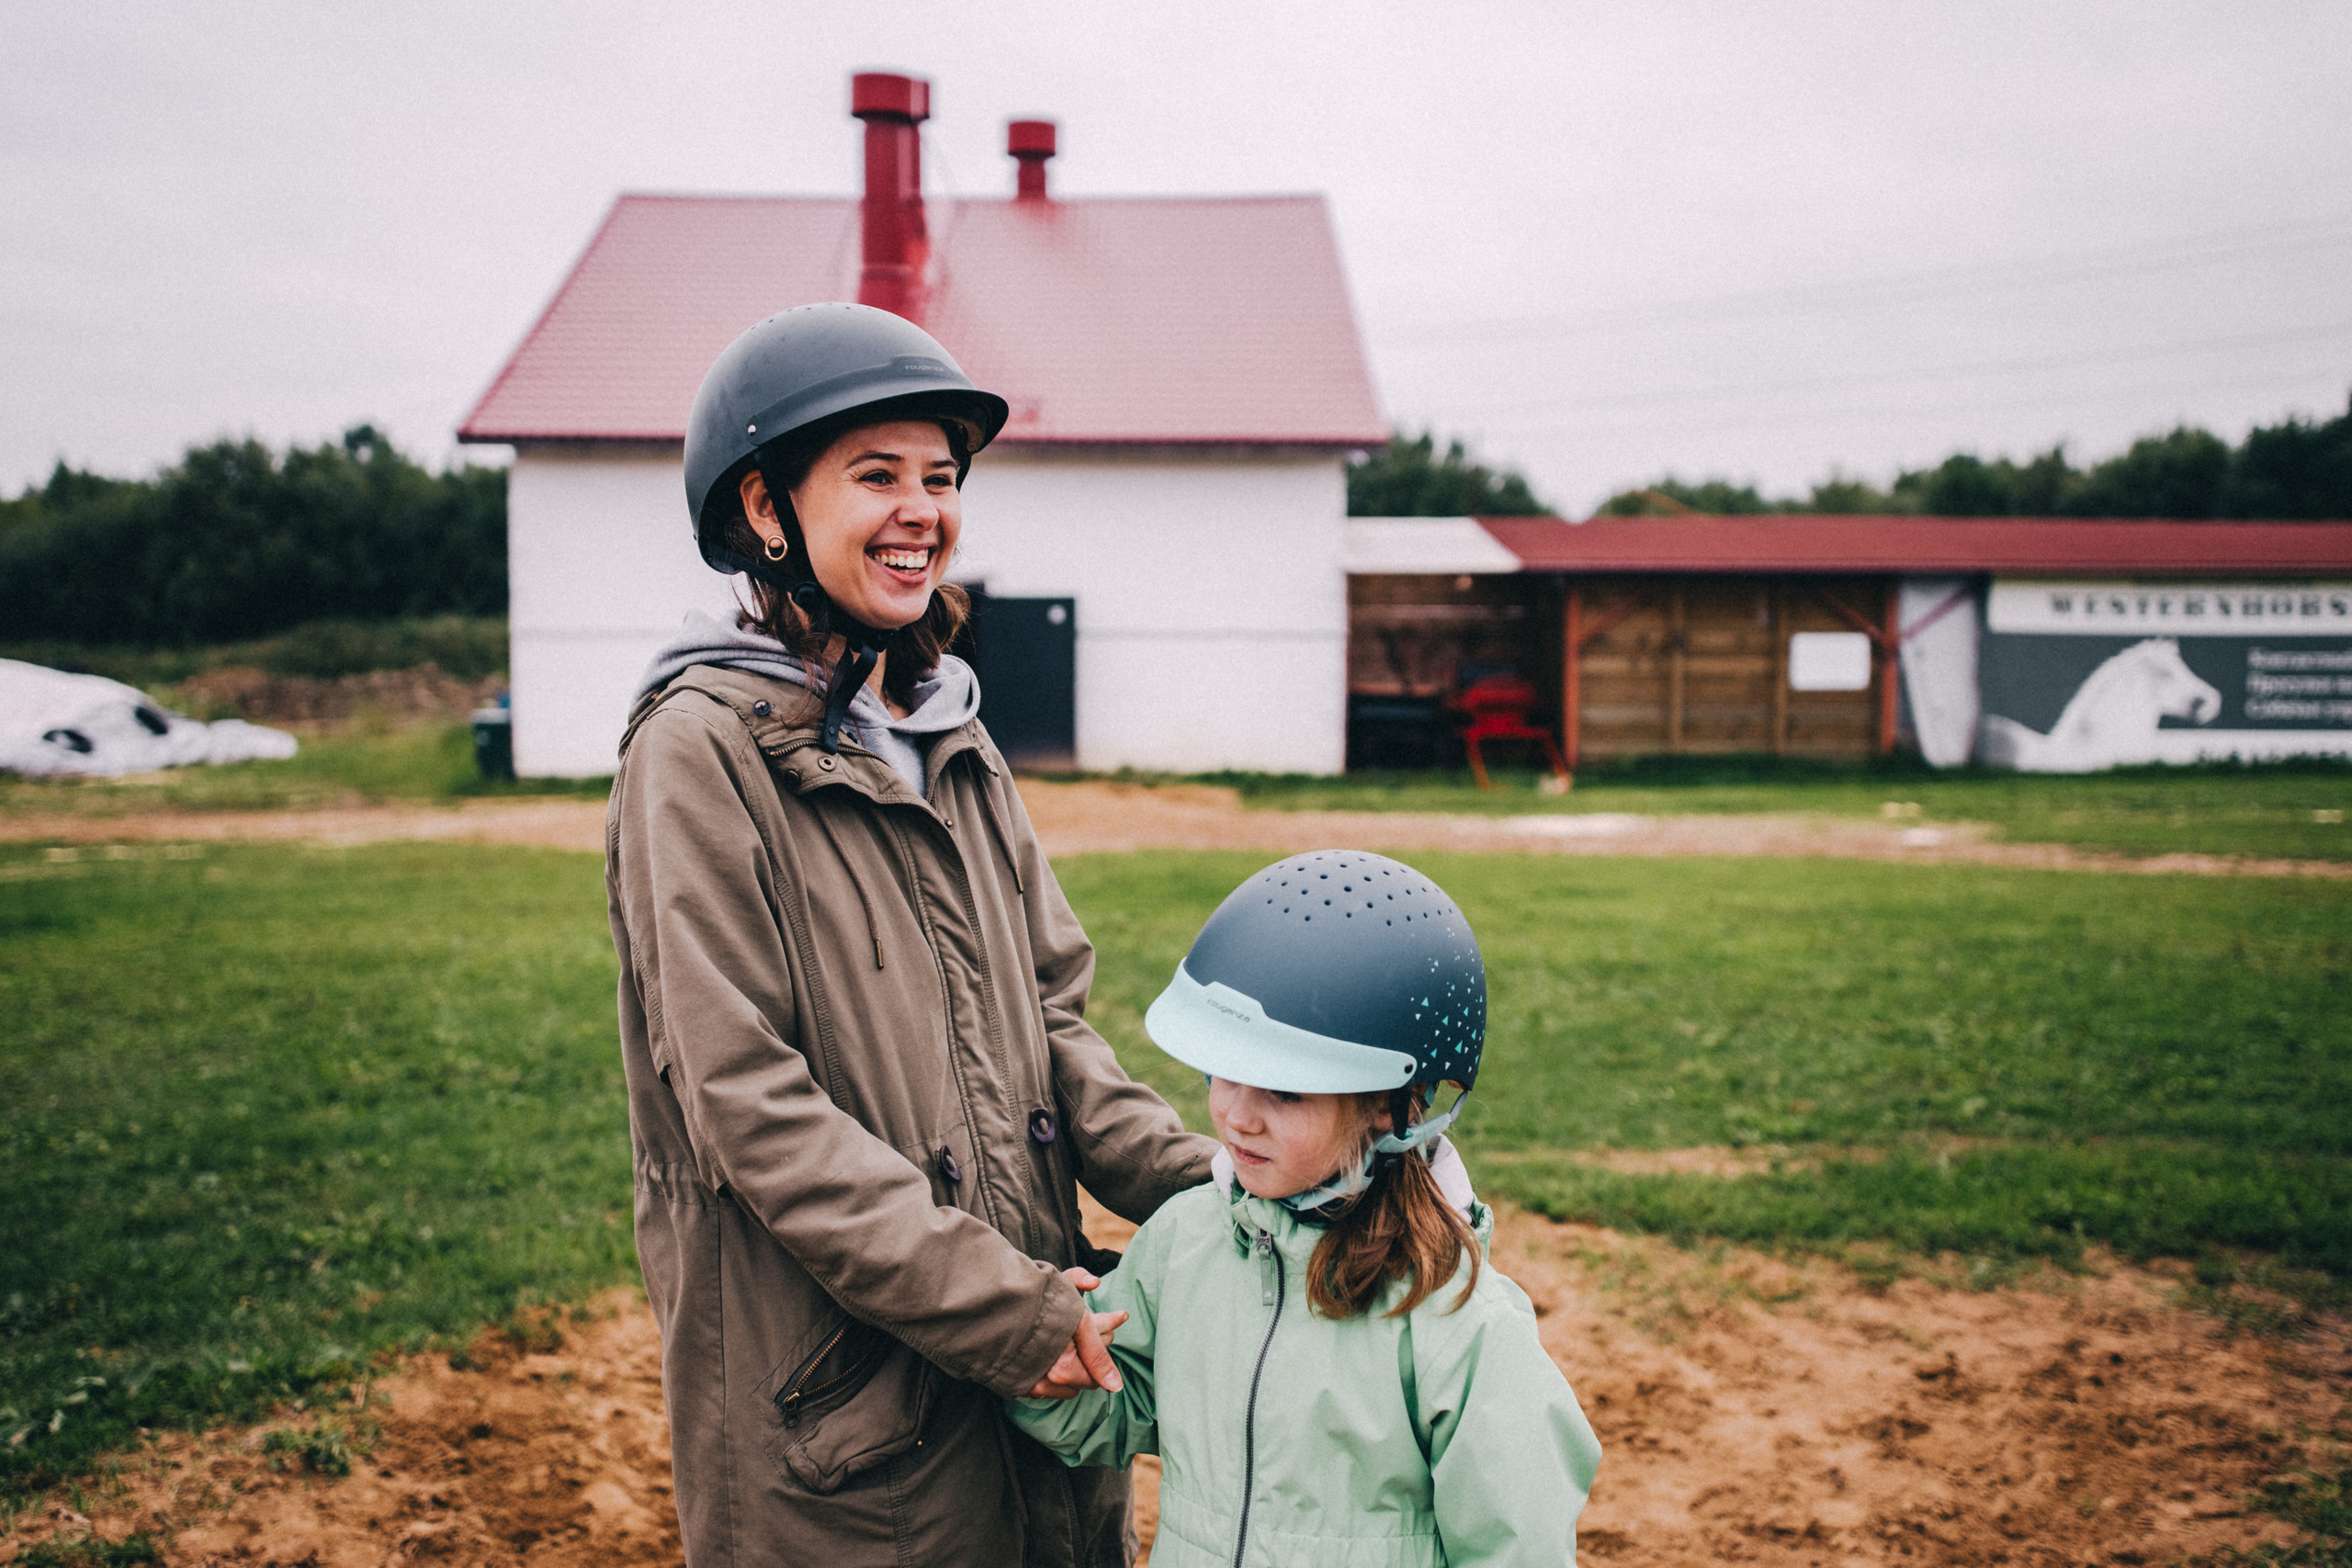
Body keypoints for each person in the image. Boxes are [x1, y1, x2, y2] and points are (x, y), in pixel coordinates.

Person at [606, 302, 1218, 1567]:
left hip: (1037, 1372)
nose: (920, 510)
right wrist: (1005, 1310)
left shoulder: (952, 734)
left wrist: (1222, 1187)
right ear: (765, 511)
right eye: (875, 474)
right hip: (845, 1416)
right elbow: (748, 1102)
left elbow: (1051, 1023)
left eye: (939, 477)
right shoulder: (698, 751)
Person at [1008, 851, 1603, 1566]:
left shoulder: (1458, 1317)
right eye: (1226, 1072)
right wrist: (1048, 1365)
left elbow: (1518, 1545)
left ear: (1388, 1105)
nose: (1236, 1116)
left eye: (1285, 1091)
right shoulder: (1185, 1241)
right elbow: (1120, 1399)